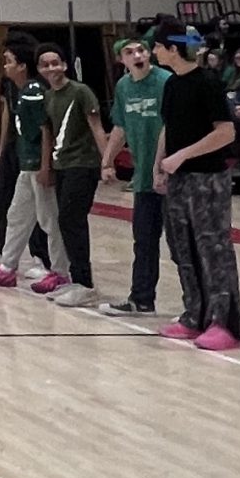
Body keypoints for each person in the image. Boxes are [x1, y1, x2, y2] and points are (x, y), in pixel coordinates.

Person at [150, 29, 240, 350]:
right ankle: (195, 316)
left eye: (157, 47)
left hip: (208, 179)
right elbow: (168, 128)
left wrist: (183, 155)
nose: (153, 53)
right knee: (182, 249)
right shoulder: (172, 84)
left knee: (213, 249)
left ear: (172, 49)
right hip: (178, 179)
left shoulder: (208, 82)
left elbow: (226, 132)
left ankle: (223, 324)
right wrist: (159, 164)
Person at [0, 44, 73, 294]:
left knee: (49, 219)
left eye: (9, 61)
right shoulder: (21, 91)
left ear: (23, 66)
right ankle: (7, 267)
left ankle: (61, 271)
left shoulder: (34, 92)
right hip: (26, 166)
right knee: (16, 215)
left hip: (38, 165)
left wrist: (45, 166)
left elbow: (45, 130)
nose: (5, 66)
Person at [100, 38, 171, 317]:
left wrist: (162, 166)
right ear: (122, 60)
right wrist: (107, 161)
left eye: (141, 49)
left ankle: (198, 305)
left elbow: (173, 124)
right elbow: (120, 126)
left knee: (180, 245)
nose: (137, 55)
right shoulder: (123, 87)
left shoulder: (166, 81)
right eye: (130, 52)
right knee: (144, 241)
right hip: (143, 178)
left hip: (170, 174)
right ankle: (141, 299)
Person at [36, 44, 106, 307]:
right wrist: (47, 167)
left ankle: (85, 284)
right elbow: (48, 133)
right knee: (65, 221)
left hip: (84, 164)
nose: (51, 68)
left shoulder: (80, 91)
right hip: (62, 165)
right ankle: (76, 281)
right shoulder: (48, 97)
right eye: (45, 64)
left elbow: (97, 127)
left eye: (56, 63)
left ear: (64, 65)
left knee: (71, 218)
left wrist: (107, 162)